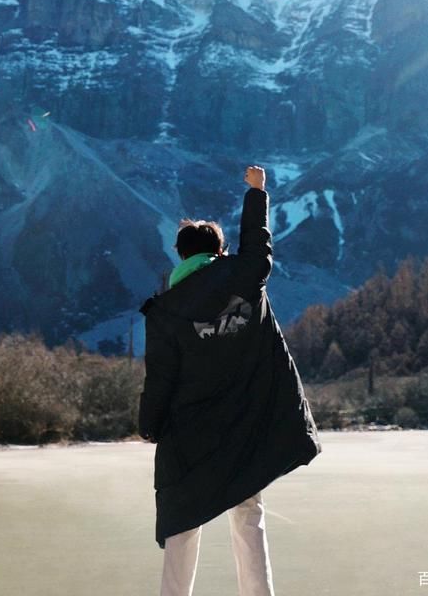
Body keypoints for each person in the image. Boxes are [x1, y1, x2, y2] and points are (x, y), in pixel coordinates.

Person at [138, 164, 322, 596]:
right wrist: (256, 192)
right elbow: (259, 244)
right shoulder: (245, 276)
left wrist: (149, 425)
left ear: (181, 256)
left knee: (183, 518)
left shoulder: (164, 312)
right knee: (248, 510)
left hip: (192, 432)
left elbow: (161, 378)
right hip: (246, 423)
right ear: (219, 253)